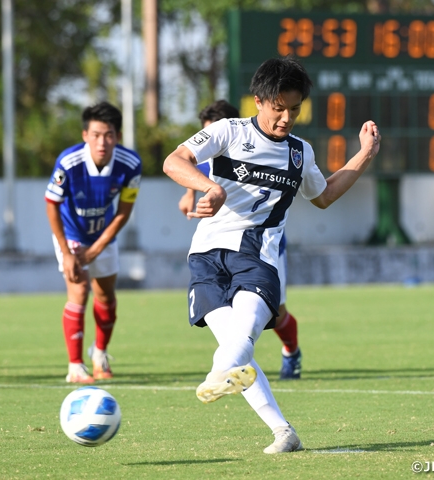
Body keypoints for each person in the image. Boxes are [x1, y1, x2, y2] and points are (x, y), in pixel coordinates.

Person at [163, 57, 380, 453]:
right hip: (207, 255)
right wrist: (208, 187)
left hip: (258, 255)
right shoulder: (229, 131)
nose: (286, 118)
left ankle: (217, 373)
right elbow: (174, 161)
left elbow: (325, 195)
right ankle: (284, 431)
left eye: (294, 109)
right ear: (259, 101)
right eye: (279, 108)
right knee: (234, 346)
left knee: (240, 338)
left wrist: (364, 154)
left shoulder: (299, 153)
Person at [179, 99, 303, 380]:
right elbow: (191, 170)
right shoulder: (209, 154)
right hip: (222, 245)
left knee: (277, 312)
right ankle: (231, 368)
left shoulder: (247, 145)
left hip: (263, 244)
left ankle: (291, 351)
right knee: (231, 314)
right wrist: (189, 193)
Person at [45, 101, 141, 384]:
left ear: (118, 137)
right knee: (79, 290)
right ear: (85, 135)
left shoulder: (131, 164)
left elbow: (124, 210)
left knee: (106, 297)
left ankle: (99, 352)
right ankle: (75, 366)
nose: (103, 142)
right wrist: (67, 252)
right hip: (71, 235)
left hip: (103, 237)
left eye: (109, 135)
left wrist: (98, 247)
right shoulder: (68, 162)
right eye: (96, 134)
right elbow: (51, 204)